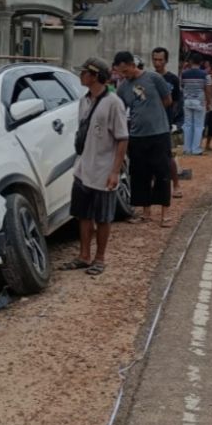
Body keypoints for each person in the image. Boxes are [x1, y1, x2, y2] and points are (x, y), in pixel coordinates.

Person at [61, 58, 129, 276]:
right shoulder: (85, 101)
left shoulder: (113, 103)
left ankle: (100, 257)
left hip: (103, 168)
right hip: (83, 166)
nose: (81, 77)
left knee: (103, 216)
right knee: (83, 214)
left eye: (84, 73)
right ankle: (84, 255)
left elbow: (122, 138)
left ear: (95, 75)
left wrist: (115, 171)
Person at [113, 50, 174, 226]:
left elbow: (167, 100)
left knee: (162, 172)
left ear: (133, 65)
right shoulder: (123, 87)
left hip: (159, 133)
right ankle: (146, 212)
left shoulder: (154, 78)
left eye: (126, 71)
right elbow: (120, 109)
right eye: (120, 72)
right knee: (140, 174)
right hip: (137, 136)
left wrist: (153, 113)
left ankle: (165, 213)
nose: (124, 75)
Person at [151, 47, 184, 198]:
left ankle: (176, 184)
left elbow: (176, 101)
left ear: (166, 61)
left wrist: (175, 121)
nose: (157, 63)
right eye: (155, 59)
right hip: (151, 123)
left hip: (168, 123)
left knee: (170, 155)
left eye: (160, 60)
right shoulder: (148, 78)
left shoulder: (173, 79)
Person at [180, 57, 210, 156]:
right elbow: (206, 89)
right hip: (199, 102)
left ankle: (187, 149)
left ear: (191, 62)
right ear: (200, 62)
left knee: (188, 125)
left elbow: (182, 86)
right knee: (198, 126)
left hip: (187, 101)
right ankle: (196, 149)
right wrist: (208, 101)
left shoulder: (184, 74)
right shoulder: (204, 74)